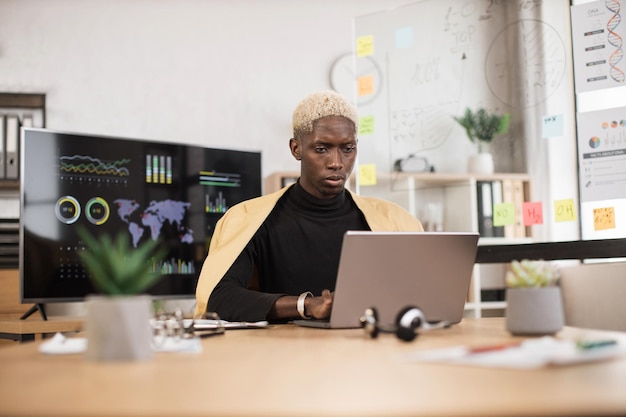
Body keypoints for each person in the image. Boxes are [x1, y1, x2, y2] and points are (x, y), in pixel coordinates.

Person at [194, 90, 423, 322]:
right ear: (296, 149)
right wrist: (306, 305)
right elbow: (219, 298)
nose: (336, 163)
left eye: (347, 148)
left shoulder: (394, 220)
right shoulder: (248, 219)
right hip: (286, 353)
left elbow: (422, 292)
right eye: (322, 149)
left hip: (370, 348)